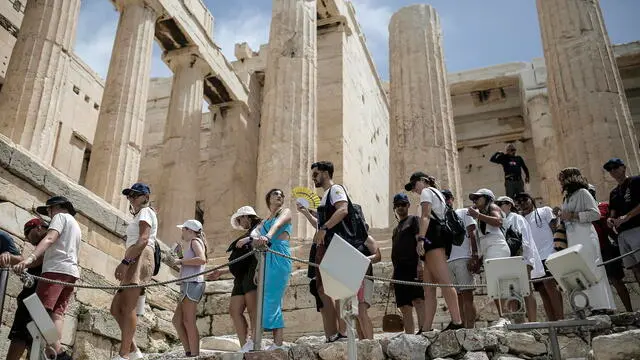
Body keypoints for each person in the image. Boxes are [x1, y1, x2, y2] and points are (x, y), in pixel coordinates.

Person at [14, 196, 81, 360]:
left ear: (56, 207)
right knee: (57, 315)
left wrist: (29, 258)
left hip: (55, 271)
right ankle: (55, 353)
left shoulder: (59, 217)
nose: (49, 215)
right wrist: (25, 264)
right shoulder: (75, 225)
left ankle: (59, 353)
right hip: (70, 272)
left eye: (49, 210)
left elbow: (50, 238)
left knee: (37, 311)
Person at [405, 171, 463, 331]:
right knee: (429, 288)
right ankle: (426, 328)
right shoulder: (437, 193)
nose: (414, 190)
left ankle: (457, 322)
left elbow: (426, 216)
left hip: (433, 237)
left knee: (445, 281)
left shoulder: (427, 192)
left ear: (423, 181)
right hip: (434, 237)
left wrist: (421, 240)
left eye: (414, 184)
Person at [558, 168, 616, 314]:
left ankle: (601, 305)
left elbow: (595, 214)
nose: (560, 182)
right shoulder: (567, 197)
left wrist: (572, 215)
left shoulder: (583, 193)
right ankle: (589, 306)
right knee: (580, 271)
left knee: (592, 268)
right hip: (573, 237)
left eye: (562, 178)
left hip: (585, 235)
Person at [110, 183, 157, 360]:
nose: (131, 199)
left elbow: (144, 239)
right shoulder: (140, 215)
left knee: (128, 306)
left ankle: (124, 355)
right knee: (115, 308)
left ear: (145, 197)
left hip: (139, 256)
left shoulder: (145, 212)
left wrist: (125, 262)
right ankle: (134, 350)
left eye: (135, 195)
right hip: (134, 255)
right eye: (129, 196)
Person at [207, 206, 261, 352]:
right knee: (234, 310)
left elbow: (264, 246)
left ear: (246, 216)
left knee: (252, 309)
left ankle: (256, 342)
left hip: (253, 270)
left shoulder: (260, 228)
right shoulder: (247, 234)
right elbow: (240, 261)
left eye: (239, 219)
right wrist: (222, 272)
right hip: (240, 276)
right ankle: (245, 345)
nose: (239, 222)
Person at [514, 192, 565, 321]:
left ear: (531, 199)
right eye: (518, 201)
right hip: (535, 259)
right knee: (542, 291)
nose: (522, 203)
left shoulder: (544, 211)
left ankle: (561, 319)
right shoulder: (520, 219)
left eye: (524, 199)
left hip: (549, 253)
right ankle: (553, 322)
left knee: (551, 287)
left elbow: (555, 228)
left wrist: (558, 250)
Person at [253, 189, 292, 350]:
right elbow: (255, 238)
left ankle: (278, 344)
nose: (280, 196)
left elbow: (278, 225)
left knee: (273, 298)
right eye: (275, 194)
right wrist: (257, 268)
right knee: (267, 297)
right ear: (268, 198)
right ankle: (268, 342)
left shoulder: (286, 212)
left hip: (279, 254)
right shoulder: (265, 219)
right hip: (266, 257)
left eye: (282, 195)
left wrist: (267, 236)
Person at [496, 196, 545, 322]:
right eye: (497, 204)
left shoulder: (517, 218)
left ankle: (533, 322)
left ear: (509, 205)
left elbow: (525, 241)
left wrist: (525, 260)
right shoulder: (500, 220)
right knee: (511, 293)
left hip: (521, 259)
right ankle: (519, 323)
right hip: (508, 261)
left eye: (501, 203)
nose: (498, 206)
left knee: (526, 291)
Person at [467, 188, 511, 326]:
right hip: (489, 250)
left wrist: (477, 216)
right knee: (494, 285)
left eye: (478, 198)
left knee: (499, 283)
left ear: (487, 198)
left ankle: (506, 317)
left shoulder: (492, 207)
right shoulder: (481, 214)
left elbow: (498, 221)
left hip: (497, 248)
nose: (475, 201)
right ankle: (503, 316)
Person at [5, 219, 47, 360]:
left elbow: (38, 259)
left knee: (21, 332)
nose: (28, 238)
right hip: (42, 294)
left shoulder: (48, 240)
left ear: (39, 228)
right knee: (33, 337)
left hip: (34, 297)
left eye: (28, 233)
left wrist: (19, 262)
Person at [588, 184, 633, 312]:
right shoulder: (582, 211)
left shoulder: (604, 206)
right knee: (599, 283)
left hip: (606, 247)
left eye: (591, 191)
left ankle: (629, 310)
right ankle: (608, 310)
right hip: (593, 251)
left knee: (616, 280)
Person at [170, 220, 207, 357]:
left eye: (183, 230)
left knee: (188, 321)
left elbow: (202, 260)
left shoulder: (195, 241)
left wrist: (181, 261)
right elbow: (190, 265)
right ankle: (189, 351)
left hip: (192, 284)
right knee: (177, 320)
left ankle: (195, 354)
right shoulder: (193, 243)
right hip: (188, 284)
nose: (182, 232)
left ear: (190, 231)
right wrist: (180, 255)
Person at [441, 190, 478, 329]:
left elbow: (472, 233)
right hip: (448, 261)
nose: (445, 201)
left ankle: (471, 329)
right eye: (442, 198)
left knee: (467, 296)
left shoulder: (463, 212)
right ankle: (462, 328)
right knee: (458, 298)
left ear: (452, 199)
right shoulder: (441, 218)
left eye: (447, 198)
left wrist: (474, 255)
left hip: (463, 258)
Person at [390, 193, 425, 334]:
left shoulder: (414, 220)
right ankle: (409, 335)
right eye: (397, 205)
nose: (400, 207)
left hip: (412, 266)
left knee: (418, 299)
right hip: (399, 271)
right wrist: (393, 275)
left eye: (403, 204)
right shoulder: (396, 229)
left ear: (408, 205)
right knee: (404, 305)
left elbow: (420, 242)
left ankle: (424, 331)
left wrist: (420, 264)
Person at [604, 158, 640, 285]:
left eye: (615, 167)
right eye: (609, 169)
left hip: (637, 229)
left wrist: (627, 216)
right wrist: (610, 220)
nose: (612, 171)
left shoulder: (636, 181)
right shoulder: (613, 192)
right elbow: (612, 212)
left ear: (623, 167)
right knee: (635, 269)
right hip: (622, 234)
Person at [355, 233, 380, 340]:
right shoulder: (348, 238)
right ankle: (362, 342)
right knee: (356, 314)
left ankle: (370, 342)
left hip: (365, 278)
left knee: (362, 310)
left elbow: (378, 256)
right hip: (353, 278)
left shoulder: (367, 238)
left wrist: (362, 259)